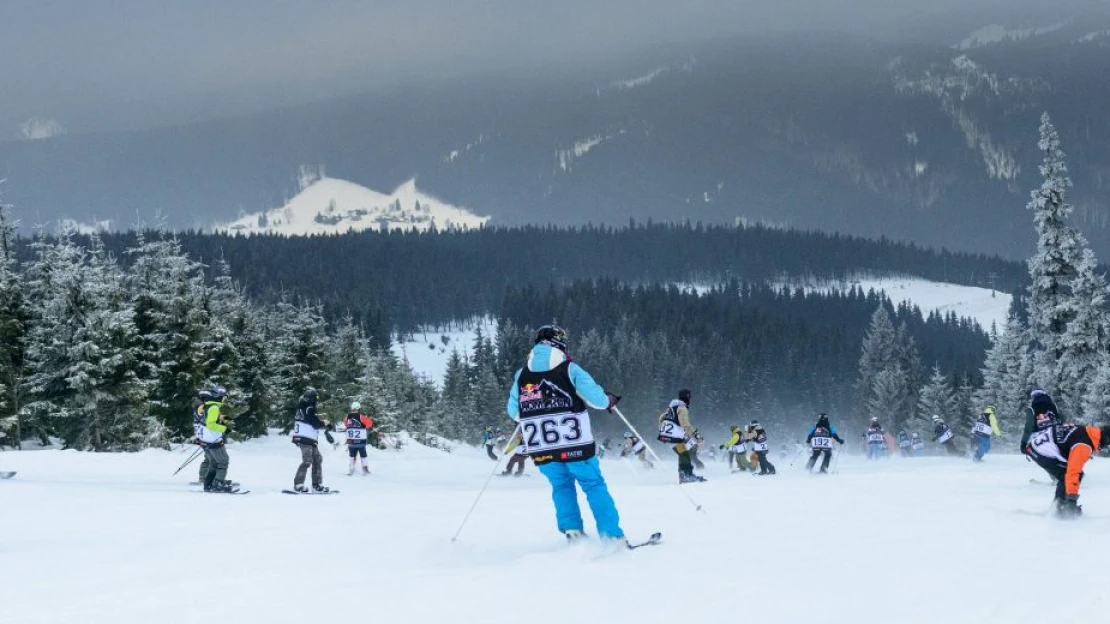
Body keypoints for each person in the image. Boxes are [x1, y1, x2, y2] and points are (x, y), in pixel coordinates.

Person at [506, 325, 625, 542]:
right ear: (561, 343)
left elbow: (514, 412)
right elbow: (597, 400)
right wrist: (609, 400)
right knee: (593, 484)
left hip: (541, 445)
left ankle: (572, 532)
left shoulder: (521, 374)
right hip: (575, 443)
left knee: (561, 485)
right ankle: (611, 536)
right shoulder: (570, 369)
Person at [1023, 404, 1107, 517]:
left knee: (1071, 474)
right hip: (1039, 450)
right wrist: (1072, 498)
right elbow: (1073, 472)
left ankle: (1060, 505)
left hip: (1038, 445)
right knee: (1067, 475)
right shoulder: (1083, 446)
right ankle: (1061, 509)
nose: (1102, 449)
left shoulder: (1085, 431)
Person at [658, 389, 705, 483]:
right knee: (684, 453)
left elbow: (661, 418)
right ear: (687, 397)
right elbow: (684, 423)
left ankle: (687, 474)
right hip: (675, 437)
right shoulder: (682, 407)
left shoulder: (670, 408)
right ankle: (685, 476)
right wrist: (696, 435)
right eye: (690, 397)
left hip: (668, 436)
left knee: (685, 452)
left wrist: (662, 431)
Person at [292, 386, 331, 493]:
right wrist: (324, 423)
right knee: (307, 461)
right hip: (305, 438)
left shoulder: (303, 408)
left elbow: (311, 420)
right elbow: (315, 423)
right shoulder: (308, 408)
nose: (316, 401)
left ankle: (316, 485)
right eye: (315, 398)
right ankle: (298, 484)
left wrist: (322, 422)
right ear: (311, 398)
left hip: (308, 438)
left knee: (317, 459)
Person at [197, 385, 234, 492]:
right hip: (213, 439)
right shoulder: (214, 407)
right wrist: (224, 429)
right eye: (224, 397)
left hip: (205, 439)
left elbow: (209, 419)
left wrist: (223, 418)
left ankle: (209, 483)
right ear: (219, 396)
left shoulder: (206, 406)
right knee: (223, 461)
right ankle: (218, 483)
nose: (224, 400)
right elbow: (211, 424)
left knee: (213, 463)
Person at [344, 401, 375, 476]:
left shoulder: (347, 417)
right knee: (363, 455)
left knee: (352, 455)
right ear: (358, 408)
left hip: (351, 441)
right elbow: (370, 424)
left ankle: (351, 469)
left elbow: (345, 425)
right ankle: (365, 469)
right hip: (360, 441)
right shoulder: (361, 417)